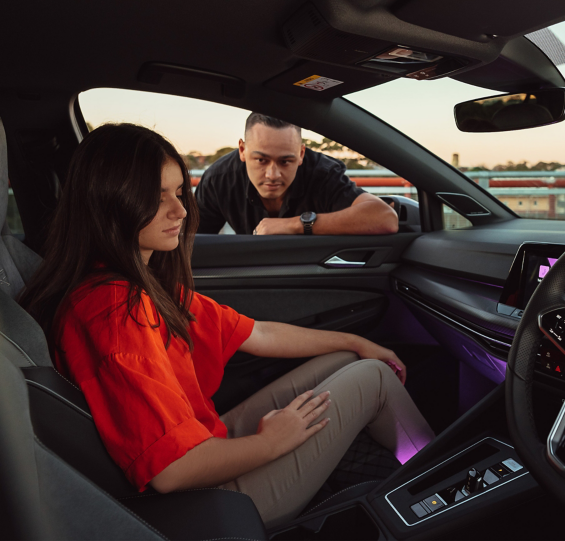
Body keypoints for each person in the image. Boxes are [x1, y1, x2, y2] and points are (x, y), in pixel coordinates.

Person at [18, 123, 433, 528]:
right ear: (108, 200)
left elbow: (259, 334)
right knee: (375, 379)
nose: (180, 210)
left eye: (179, 191)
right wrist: (271, 442)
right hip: (210, 494)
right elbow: (172, 471)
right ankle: (438, 486)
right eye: (156, 196)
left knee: (348, 359)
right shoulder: (115, 310)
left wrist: (357, 341)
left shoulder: (133, 284)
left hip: (205, 445)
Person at [195, 113, 399, 235]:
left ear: (301, 154)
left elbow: (385, 218)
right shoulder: (219, 179)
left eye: (286, 161)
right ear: (242, 150)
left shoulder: (322, 173)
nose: (272, 174)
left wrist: (296, 224)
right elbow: (191, 243)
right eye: (261, 160)